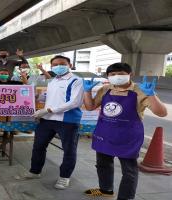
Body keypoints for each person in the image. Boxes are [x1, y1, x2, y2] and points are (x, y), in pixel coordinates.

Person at [82, 63, 168, 200]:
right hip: (105, 134)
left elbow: (162, 113)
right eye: (112, 74)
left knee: (129, 171)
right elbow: (90, 107)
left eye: (120, 73)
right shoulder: (105, 89)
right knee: (103, 164)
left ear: (130, 74)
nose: (116, 77)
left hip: (127, 137)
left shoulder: (140, 90)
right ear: (108, 76)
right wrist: (86, 91)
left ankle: (126, 197)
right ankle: (106, 190)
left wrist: (151, 94)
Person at [15, 55, 84, 190]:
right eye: (55, 64)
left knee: (69, 150)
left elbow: (75, 102)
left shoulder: (76, 80)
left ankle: (64, 177)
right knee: (38, 146)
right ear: (51, 67)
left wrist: (48, 110)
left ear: (69, 65)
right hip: (47, 120)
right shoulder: (52, 81)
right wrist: (35, 97)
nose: (58, 66)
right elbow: (49, 97)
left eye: (62, 63)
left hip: (67, 121)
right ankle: (35, 171)